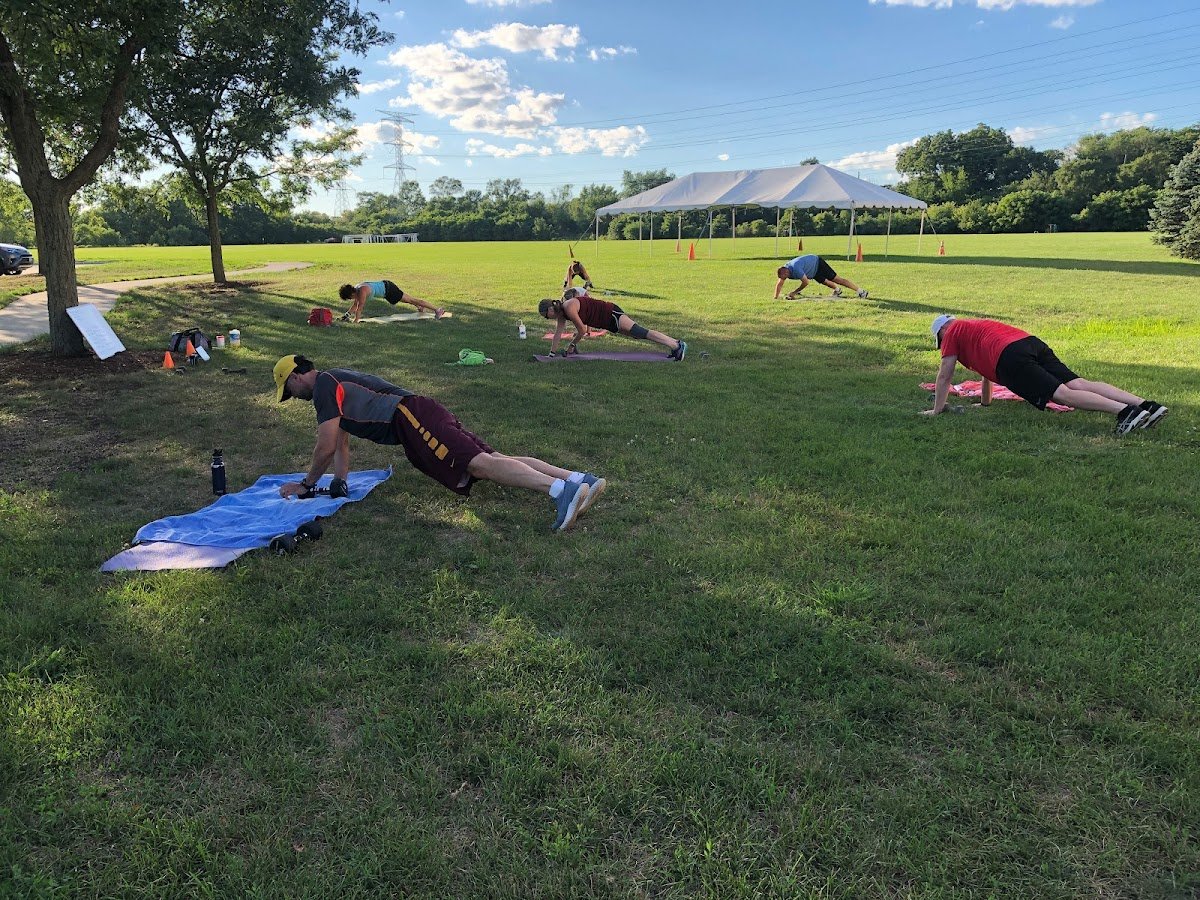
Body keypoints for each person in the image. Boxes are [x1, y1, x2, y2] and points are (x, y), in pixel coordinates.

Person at [272, 355, 606, 531]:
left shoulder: (324, 387)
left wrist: (306, 484)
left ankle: (561, 493)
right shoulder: (333, 385)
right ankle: (577, 480)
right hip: (420, 412)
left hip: (410, 418)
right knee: (492, 457)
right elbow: (341, 443)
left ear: (296, 375)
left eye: (289, 390)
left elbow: (326, 445)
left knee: (480, 464)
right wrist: (340, 482)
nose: (293, 396)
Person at [925, 314, 1167, 434]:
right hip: (1029, 342)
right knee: (1078, 383)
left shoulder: (953, 332)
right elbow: (986, 374)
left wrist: (937, 410)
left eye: (940, 339)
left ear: (943, 330)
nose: (943, 344)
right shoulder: (975, 327)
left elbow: (944, 375)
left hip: (1009, 357)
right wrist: (985, 403)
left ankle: (1126, 413)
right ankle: (1146, 405)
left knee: (1063, 395)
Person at [538, 286, 687, 360]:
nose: (547, 318)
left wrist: (571, 345)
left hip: (611, 313)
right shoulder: (561, 314)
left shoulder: (568, 307)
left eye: (546, 315)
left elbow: (582, 330)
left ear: (551, 308)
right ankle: (675, 345)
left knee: (639, 331)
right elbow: (557, 334)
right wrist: (551, 354)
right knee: (637, 335)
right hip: (607, 322)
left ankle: (677, 345)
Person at [338, 279, 445, 323]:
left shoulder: (361, 291)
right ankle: (420, 307)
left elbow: (359, 307)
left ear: (351, 294)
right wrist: (346, 316)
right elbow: (355, 305)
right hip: (386, 290)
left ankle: (437, 310)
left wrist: (356, 320)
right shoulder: (357, 290)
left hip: (389, 289)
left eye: (349, 297)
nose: (351, 299)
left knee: (411, 299)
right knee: (409, 300)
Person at [773, 254, 867, 299]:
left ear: (786, 273)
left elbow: (805, 282)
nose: (784, 279)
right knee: (825, 282)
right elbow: (779, 284)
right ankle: (837, 290)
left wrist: (794, 292)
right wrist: (775, 297)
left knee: (837, 279)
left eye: (784, 277)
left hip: (817, 263)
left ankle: (861, 292)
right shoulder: (785, 270)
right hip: (812, 272)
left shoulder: (795, 268)